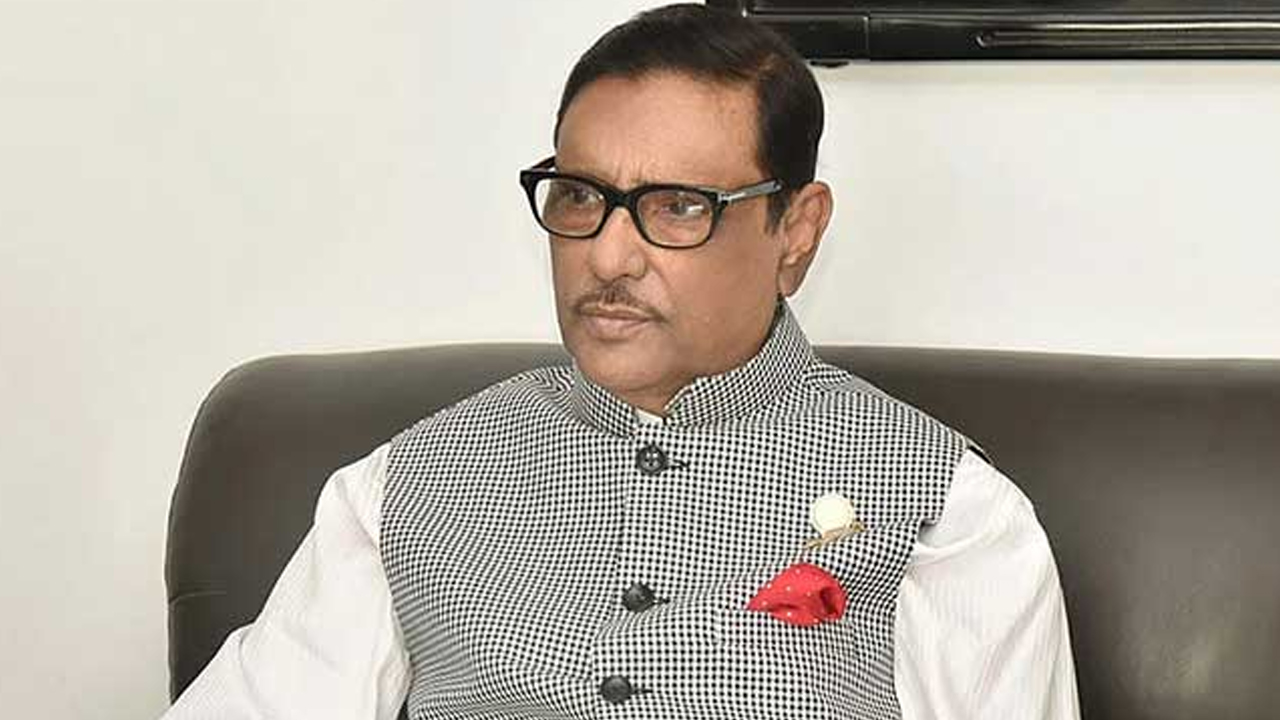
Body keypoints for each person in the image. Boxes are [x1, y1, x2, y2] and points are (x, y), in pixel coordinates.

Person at [163, 4, 1079, 719]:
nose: (606, 256)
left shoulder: (952, 518)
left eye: (677, 206)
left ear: (795, 233)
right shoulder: (397, 491)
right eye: (579, 196)